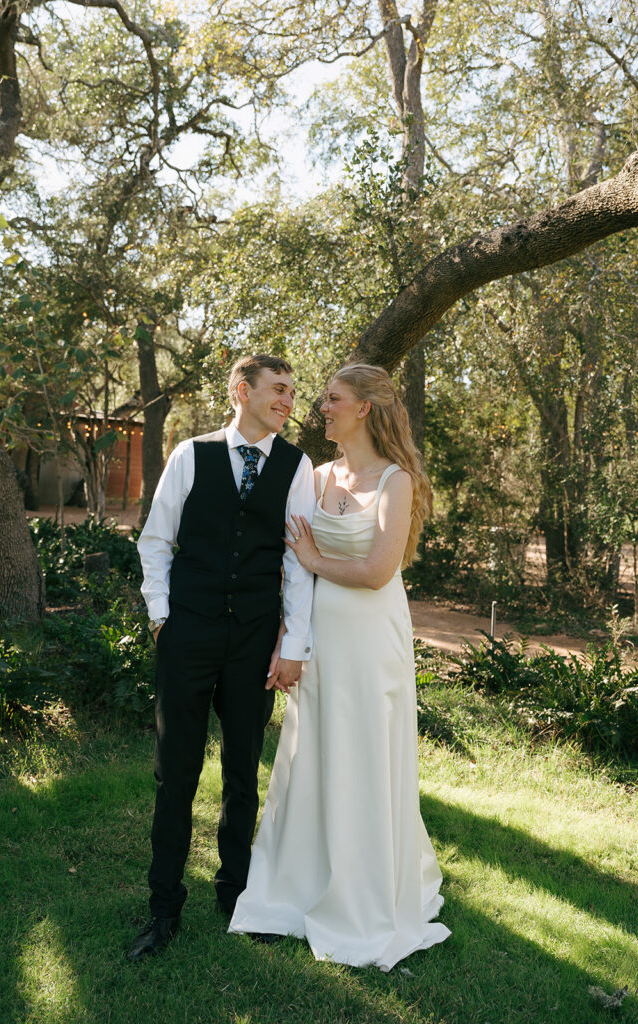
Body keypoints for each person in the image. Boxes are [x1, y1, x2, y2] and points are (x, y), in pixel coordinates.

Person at [229, 363, 450, 971]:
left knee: (364, 755)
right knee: (311, 754)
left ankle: (366, 894)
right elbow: (291, 575)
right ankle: (297, 886)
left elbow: (378, 570)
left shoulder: (395, 481)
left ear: (365, 409)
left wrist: (310, 556)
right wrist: (285, 638)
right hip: (319, 638)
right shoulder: (317, 474)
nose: (320, 408)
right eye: (322, 399)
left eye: (332, 399)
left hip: (371, 640)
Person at [128, 354, 315, 962]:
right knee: (174, 775)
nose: (288, 401)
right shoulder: (191, 455)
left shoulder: (297, 464)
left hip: (254, 644)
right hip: (188, 635)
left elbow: (296, 562)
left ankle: (236, 897)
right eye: (278, 390)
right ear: (242, 390)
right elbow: (156, 539)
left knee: (242, 776)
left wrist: (293, 645)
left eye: (292, 392)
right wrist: (161, 617)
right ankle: (163, 908)